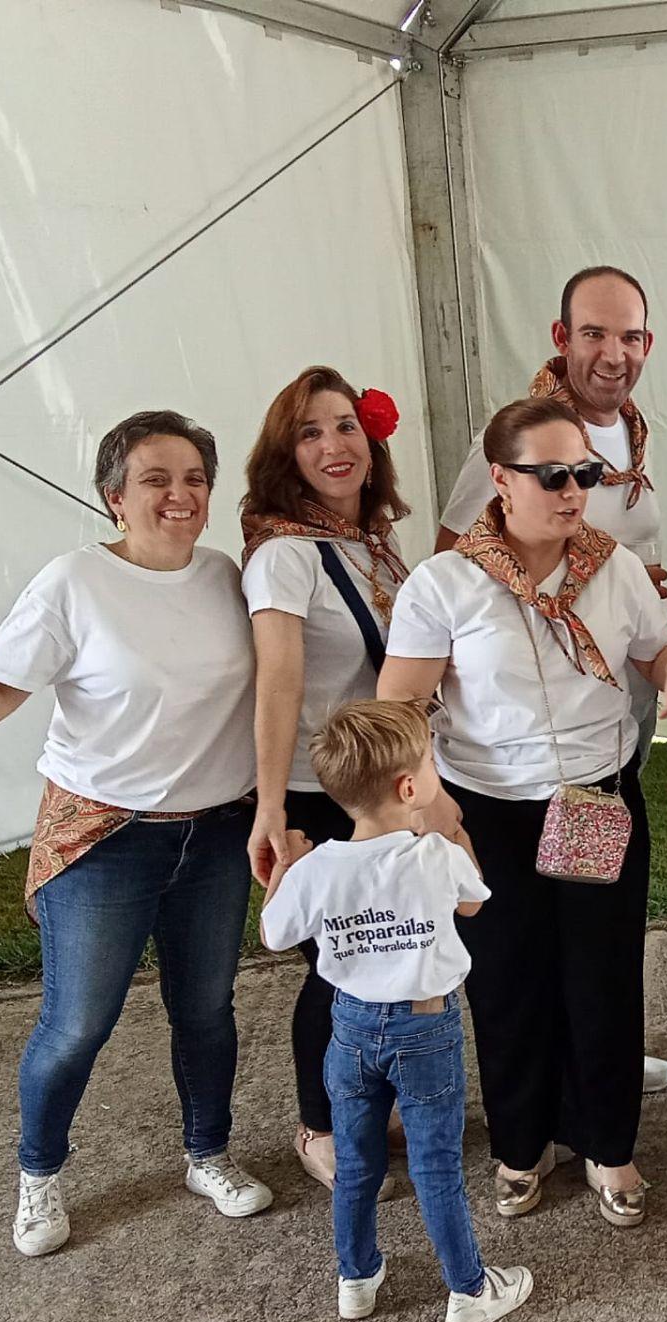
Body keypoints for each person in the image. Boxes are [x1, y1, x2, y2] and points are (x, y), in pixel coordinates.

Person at [0, 411, 271, 1256]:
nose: (179, 495)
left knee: (206, 1010)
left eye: (195, 479)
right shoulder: (74, 582)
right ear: (114, 496)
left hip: (214, 834)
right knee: (77, 1024)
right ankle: (39, 1174)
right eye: (155, 479)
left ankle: (208, 1154)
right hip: (105, 838)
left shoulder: (225, 576)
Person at [379, 395, 667, 1226]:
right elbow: (401, 707)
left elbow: (657, 646)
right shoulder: (445, 581)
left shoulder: (614, 567)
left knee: (603, 979)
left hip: (597, 797)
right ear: (500, 479)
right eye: (553, 475)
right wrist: (431, 801)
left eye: (587, 474)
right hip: (489, 810)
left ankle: (608, 1143)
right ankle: (521, 1143)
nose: (574, 492)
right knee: (507, 982)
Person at [434, 266, 667, 1098]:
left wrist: (641, 600)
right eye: (595, 334)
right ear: (560, 337)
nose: (613, 353)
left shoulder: (630, 434)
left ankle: (597, 1070)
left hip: (611, 723)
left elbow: (631, 574)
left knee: (597, 930)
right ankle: (546, 1094)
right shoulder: (519, 439)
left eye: (630, 336)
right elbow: (456, 566)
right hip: (517, 743)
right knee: (520, 943)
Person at [259, 700, 533, 1322]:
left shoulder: (317, 869)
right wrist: (456, 832)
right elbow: (473, 904)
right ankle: (468, 1289)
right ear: (409, 788)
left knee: (356, 1163)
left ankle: (355, 1277)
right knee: (437, 1166)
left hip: (350, 1030)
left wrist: (288, 868)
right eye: (430, 763)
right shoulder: (436, 855)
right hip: (426, 1030)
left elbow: (274, 935)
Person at [240, 365, 411, 1191]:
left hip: (380, 784)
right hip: (318, 789)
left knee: (385, 953)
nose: (333, 445)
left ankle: (370, 1100)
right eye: (309, 433)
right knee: (338, 962)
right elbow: (278, 681)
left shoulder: (373, 543)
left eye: (346, 425)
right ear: (287, 455)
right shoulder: (284, 554)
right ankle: (320, 1123)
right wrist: (272, 805)